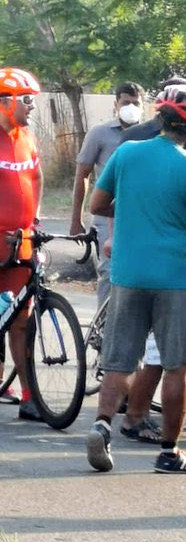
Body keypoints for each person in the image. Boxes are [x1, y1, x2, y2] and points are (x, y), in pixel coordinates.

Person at [86, 85, 186, 474]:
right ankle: (170, 453)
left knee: (119, 360)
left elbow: (98, 205)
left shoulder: (126, 153)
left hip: (128, 273)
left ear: (160, 119)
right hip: (176, 276)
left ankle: (102, 425)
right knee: (176, 366)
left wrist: (136, 205)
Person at [69, 81, 145, 308]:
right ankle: (103, 329)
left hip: (140, 216)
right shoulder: (100, 134)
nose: (130, 107)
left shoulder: (151, 135)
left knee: (139, 273)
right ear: (116, 105)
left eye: (135, 103)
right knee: (109, 270)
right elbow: (82, 174)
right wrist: (76, 220)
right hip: (106, 214)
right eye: (125, 103)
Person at [0, 67, 43, 421]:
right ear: (4, 103)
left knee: (20, 321)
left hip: (21, 242)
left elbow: (38, 176)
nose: (31, 107)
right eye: (26, 100)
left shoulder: (26, 136)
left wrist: (35, 220)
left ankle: (30, 396)